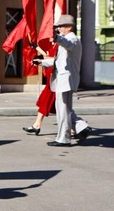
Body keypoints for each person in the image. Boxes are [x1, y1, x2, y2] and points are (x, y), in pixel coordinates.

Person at [33, 14, 90, 147]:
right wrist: (42, 62)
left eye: (61, 26)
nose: (59, 28)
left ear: (69, 27)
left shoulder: (72, 39)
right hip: (63, 80)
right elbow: (57, 61)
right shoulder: (66, 39)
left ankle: (63, 139)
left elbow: (68, 44)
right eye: (58, 27)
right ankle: (81, 127)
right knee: (65, 109)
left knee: (63, 110)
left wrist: (57, 38)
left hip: (66, 80)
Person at [22, 64, 55, 135]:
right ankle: (37, 124)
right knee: (46, 101)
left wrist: (42, 61)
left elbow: (53, 58)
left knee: (51, 102)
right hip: (52, 74)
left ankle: (77, 125)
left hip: (55, 75)